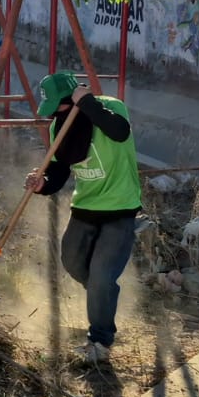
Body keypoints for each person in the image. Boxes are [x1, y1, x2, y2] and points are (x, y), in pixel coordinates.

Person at [23, 71, 141, 363]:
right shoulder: (59, 127)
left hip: (120, 208)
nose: (56, 117)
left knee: (101, 275)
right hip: (85, 208)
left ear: (73, 99)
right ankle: (102, 297)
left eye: (59, 108)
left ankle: (100, 340)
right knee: (73, 263)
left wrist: (87, 103)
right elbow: (61, 169)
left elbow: (119, 131)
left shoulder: (111, 107)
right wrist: (43, 183)